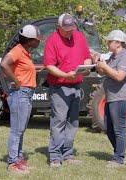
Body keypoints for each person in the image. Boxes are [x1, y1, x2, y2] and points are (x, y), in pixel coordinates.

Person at [43, 13, 92, 168]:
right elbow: (49, 66)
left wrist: (86, 68)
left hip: (76, 86)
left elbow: (87, 57)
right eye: (66, 29)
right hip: (59, 87)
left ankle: (68, 154)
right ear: (58, 27)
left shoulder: (79, 37)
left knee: (73, 122)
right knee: (59, 122)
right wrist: (65, 75)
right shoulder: (52, 40)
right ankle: (55, 157)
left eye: (71, 28)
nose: (70, 31)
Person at [1, 24, 45, 175]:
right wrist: (17, 82)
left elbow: (22, 70)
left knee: (20, 130)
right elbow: (4, 64)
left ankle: (18, 161)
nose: (39, 42)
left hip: (25, 94)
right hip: (20, 94)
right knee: (16, 131)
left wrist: (35, 71)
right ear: (29, 40)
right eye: (37, 40)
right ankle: (12, 164)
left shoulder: (25, 52)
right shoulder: (17, 51)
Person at [94, 30, 126, 168]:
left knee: (118, 129)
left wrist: (105, 66)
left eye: (109, 41)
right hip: (111, 97)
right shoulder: (113, 56)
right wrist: (98, 64)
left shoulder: (125, 57)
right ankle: (118, 153)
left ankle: (119, 158)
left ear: (118, 43)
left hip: (121, 97)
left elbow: (119, 76)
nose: (107, 43)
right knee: (109, 128)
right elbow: (103, 71)